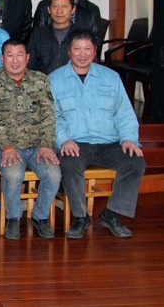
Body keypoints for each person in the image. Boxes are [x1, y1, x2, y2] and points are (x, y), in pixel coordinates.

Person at [49, 29, 146, 239]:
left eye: (87, 49)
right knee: (68, 164)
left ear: (95, 52)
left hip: (109, 142)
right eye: (77, 49)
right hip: (76, 143)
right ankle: (80, 216)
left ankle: (111, 214)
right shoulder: (54, 80)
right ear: (69, 51)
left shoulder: (111, 77)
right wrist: (63, 139)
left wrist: (129, 138)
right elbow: (53, 116)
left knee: (135, 162)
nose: (82, 54)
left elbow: (124, 112)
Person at [0, 39, 60, 240]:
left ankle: (40, 216)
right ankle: (13, 218)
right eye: (10, 55)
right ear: (2, 58)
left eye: (20, 55)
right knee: (13, 175)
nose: (15, 60)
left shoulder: (40, 80)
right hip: (8, 146)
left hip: (38, 146)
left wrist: (46, 145)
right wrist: (6, 146)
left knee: (53, 174)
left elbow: (49, 115)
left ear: (27, 58)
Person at [28, 0, 79, 74]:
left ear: (73, 9)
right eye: (55, 6)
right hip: (42, 81)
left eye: (64, 6)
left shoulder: (81, 36)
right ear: (49, 9)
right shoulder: (38, 35)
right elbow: (29, 66)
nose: (59, 11)